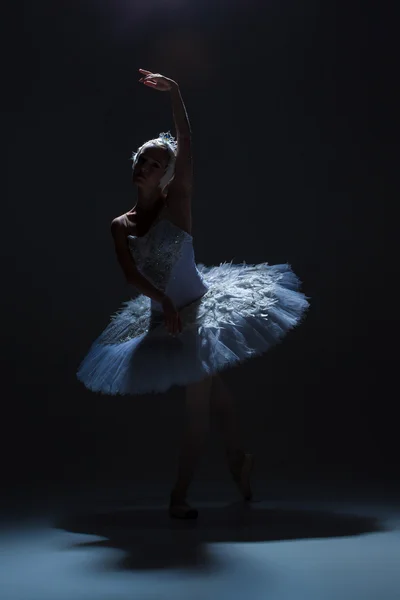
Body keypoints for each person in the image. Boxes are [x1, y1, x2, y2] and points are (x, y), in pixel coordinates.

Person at [77, 68, 310, 519]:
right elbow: (130, 275)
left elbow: (187, 141)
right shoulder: (120, 225)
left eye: (156, 163)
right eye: (143, 159)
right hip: (163, 318)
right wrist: (160, 302)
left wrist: (176, 93)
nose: (146, 166)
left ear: (168, 177)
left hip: (199, 314)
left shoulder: (178, 201)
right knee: (216, 395)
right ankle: (239, 461)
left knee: (197, 411)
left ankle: (178, 497)